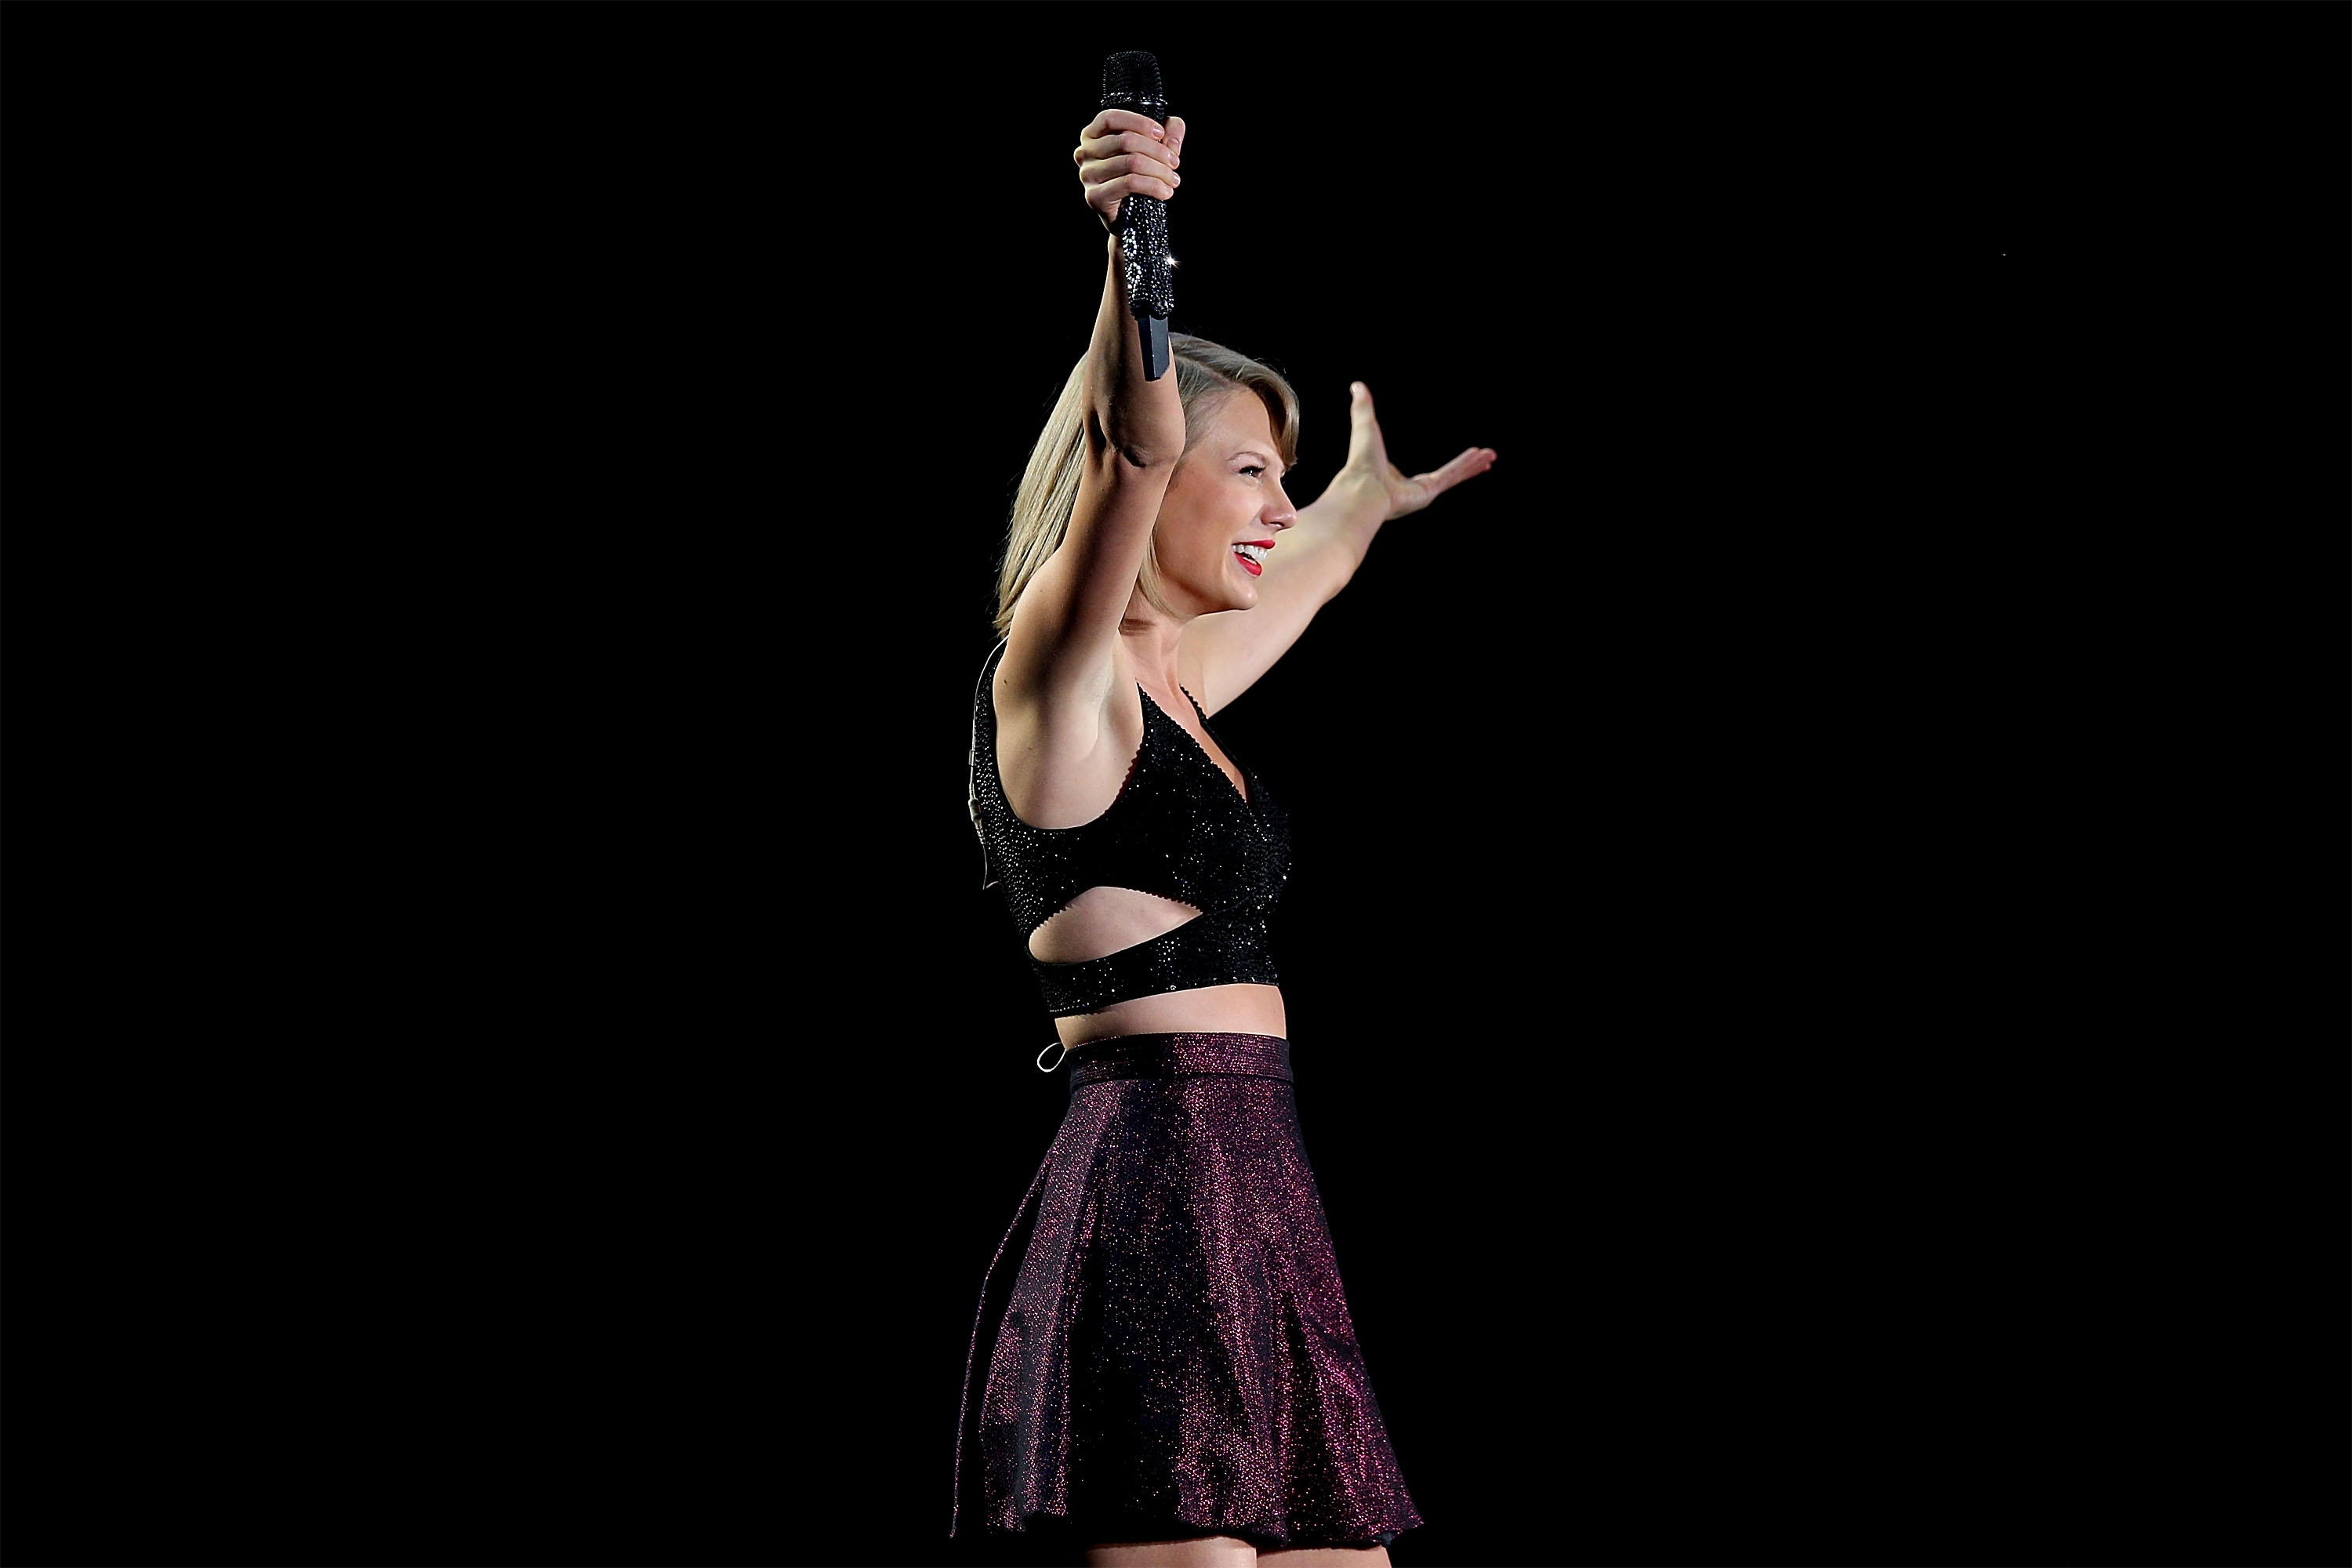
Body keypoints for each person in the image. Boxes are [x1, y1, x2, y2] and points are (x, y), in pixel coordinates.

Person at [951, 103, 1495, 1568]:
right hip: (1154, 1190)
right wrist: (1137, 237)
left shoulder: (1178, 685)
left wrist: (1361, 505)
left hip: (1261, 1189)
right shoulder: (1063, 684)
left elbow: (1301, 571)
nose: (1276, 505)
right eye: (1249, 469)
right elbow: (1129, 448)